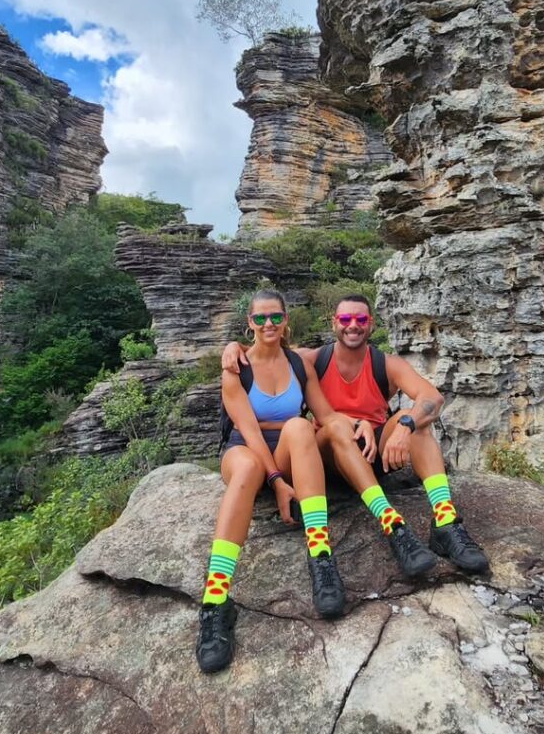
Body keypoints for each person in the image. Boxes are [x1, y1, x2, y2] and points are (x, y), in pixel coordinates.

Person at [222, 293, 488, 578]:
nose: (353, 325)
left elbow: (432, 398)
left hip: (373, 451)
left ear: (371, 324)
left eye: (360, 319)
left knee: (415, 421)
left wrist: (404, 427)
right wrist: (234, 346)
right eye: (345, 319)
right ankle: (390, 522)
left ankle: (445, 520)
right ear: (334, 323)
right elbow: (267, 350)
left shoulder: (386, 364)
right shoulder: (313, 360)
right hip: (328, 456)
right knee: (336, 429)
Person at [197, 289, 349, 674]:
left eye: (276, 317)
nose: (269, 324)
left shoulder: (299, 363)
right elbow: (248, 430)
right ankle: (216, 600)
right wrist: (278, 481)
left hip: (285, 447)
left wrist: (358, 426)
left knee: (300, 425)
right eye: (260, 318)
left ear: (286, 321)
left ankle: (321, 556)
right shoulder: (236, 369)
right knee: (248, 469)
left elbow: (325, 414)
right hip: (244, 448)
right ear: (249, 323)